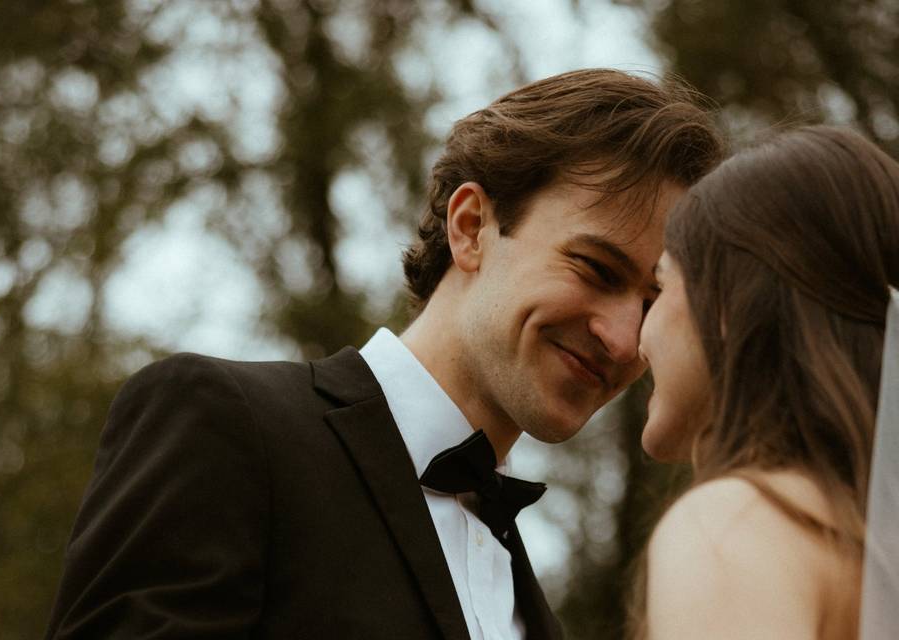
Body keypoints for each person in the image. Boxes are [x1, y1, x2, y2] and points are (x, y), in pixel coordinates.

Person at [44, 69, 722, 639]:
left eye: (653, 300)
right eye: (596, 269)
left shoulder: (534, 602)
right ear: (471, 228)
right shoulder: (227, 425)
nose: (625, 338)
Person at [634, 125, 899, 639]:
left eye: (661, 285)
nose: (637, 342)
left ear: (730, 306)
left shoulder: (735, 525)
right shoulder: (876, 546)